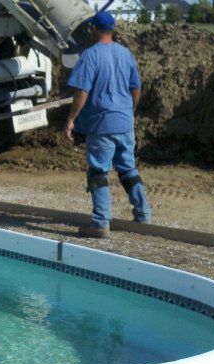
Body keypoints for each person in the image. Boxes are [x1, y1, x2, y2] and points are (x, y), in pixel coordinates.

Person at [64, 11, 151, 238]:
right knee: (128, 168)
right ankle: (143, 216)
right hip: (124, 122)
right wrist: (129, 110)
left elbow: (82, 91)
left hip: (101, 124)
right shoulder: (126, 54)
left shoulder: (90, 56)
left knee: (98, 172)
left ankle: (101, 222)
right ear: (113, 29)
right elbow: (136, 88)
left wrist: (71, 120)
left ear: (93, 28)